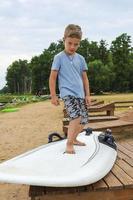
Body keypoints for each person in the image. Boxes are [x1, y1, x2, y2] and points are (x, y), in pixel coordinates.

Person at [49, 24, 91, 154]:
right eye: (70, 43)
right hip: (67, 93)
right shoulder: (59, 57)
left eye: (76, 44)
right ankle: (69, 143)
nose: (72, 47)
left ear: (79, 44)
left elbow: (85, 79)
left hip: (80, 94)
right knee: (76, 116)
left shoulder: (81, 59)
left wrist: (87, 95)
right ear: (64, 40)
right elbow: (52, 78)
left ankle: (74, 138)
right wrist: (53, 95)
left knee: (83, 120)